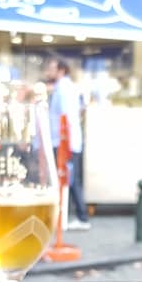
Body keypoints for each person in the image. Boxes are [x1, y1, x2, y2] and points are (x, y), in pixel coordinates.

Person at [46, 58, 90, 229]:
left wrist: (66, 143)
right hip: (68, 141)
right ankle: (75, 217)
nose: (48, 71)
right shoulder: (67, 88)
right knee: (70, 179)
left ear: (61, 70)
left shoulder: (63, 89)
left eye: (51, 68)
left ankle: (80, 217)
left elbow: (65, 118)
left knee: (70, 180)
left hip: (65, 142)